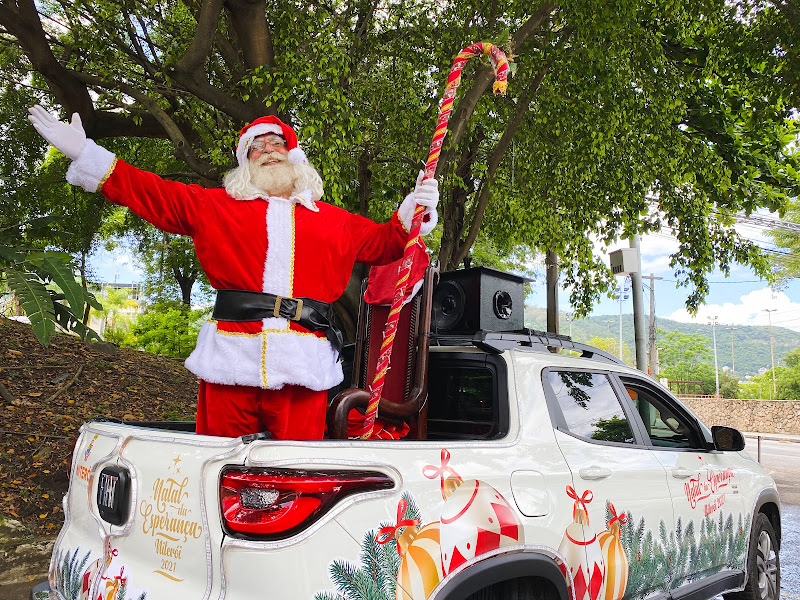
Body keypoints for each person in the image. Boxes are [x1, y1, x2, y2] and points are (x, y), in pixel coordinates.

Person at [28, 106, 439, 440]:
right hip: (230, 361)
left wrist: (416, 209)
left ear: (294, 156)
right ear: (245, 161)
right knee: (215, 466)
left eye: (277, 143)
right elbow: (149, 190)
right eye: (257, 147)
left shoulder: (336, 221)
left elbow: (388, 242)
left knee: (296, 473)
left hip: (303, 367)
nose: (269, 150)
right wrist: (87, 154)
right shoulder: (214, 206)